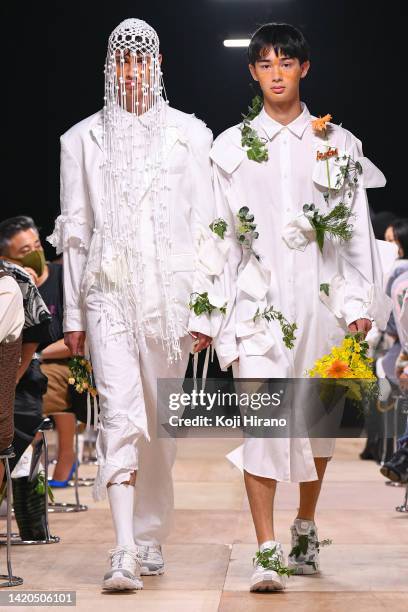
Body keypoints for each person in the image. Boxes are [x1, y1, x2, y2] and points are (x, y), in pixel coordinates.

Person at [211, 23, 391, 592]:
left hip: (325, 304)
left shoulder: (339, 144)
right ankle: (265, 550)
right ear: (253, 73)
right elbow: (217, 235)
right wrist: (205, 314)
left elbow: (357, 234)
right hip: (256, 306)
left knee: (318, 426)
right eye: (265, 64)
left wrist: (362, 303)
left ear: (303, 69)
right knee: (262, 425)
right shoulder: (230, 145)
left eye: (286, 62)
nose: (276, 73)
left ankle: (305, 528)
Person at [47, 18, 222, 591]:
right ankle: (122, 548)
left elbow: (209, 228)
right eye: (122, 60)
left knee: (160, 427)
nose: (131, 71)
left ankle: (149, 533)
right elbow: (76, 230)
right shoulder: (81, 139)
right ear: (109, 66)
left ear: (158, 63)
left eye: (141, 59)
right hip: (109, 291)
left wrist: (206, 309)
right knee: (120, 415)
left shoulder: (192, 135)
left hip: (170, 296)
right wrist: (73, 315)